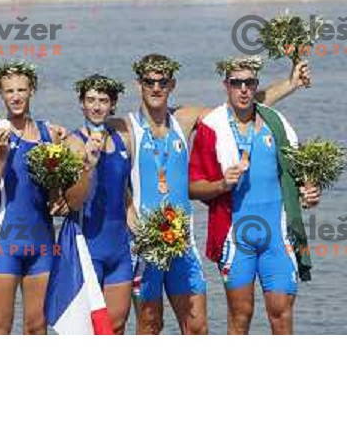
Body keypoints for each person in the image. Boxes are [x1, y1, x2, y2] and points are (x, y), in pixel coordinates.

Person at [123, 53, 311, 335]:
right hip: (146, 242)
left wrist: (290, 84)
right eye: (149, 81)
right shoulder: (125, 128)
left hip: (183, 241)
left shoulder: (184, 119)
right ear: (139, 84)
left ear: (172, 84)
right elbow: (96, 139)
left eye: (162, 81)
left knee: (199, 328)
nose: (156, 88)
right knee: (151, 325)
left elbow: (244, 105)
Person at [189, 56, 320, 334]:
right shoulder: (211, 127)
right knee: (241, 316)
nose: (244, 89)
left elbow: (300, 173)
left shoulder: (276, 122)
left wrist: (308, 192)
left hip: (278, 235)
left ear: (256, 84)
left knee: (281, 314)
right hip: (236, 238)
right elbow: (192, 186)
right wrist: (222, 185)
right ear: (226, 85)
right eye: (237, 83)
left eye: (249, 82)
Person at [0, 60, 64, 335]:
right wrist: (2, 154)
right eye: (9, 91)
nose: (15, 96)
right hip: (6, 242)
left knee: (38, 327)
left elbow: (55, 198)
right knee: (0, 328)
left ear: (32, 91)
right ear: (0, 94)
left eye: (21, 90)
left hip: (43, 243)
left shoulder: (51, 134)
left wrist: (59, 198)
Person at [63, 74, 133, 334]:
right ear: (81, 104)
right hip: (87, 246)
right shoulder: (72, 143)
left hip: (119, 248)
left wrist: (133, 216)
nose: (96, 106)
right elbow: (72, 201)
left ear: (112, 105)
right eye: (90, 100)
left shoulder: (122, 140)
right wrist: (89, 166)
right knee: (84, 330)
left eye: (103, 100)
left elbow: (122, 188)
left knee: (116, 327)